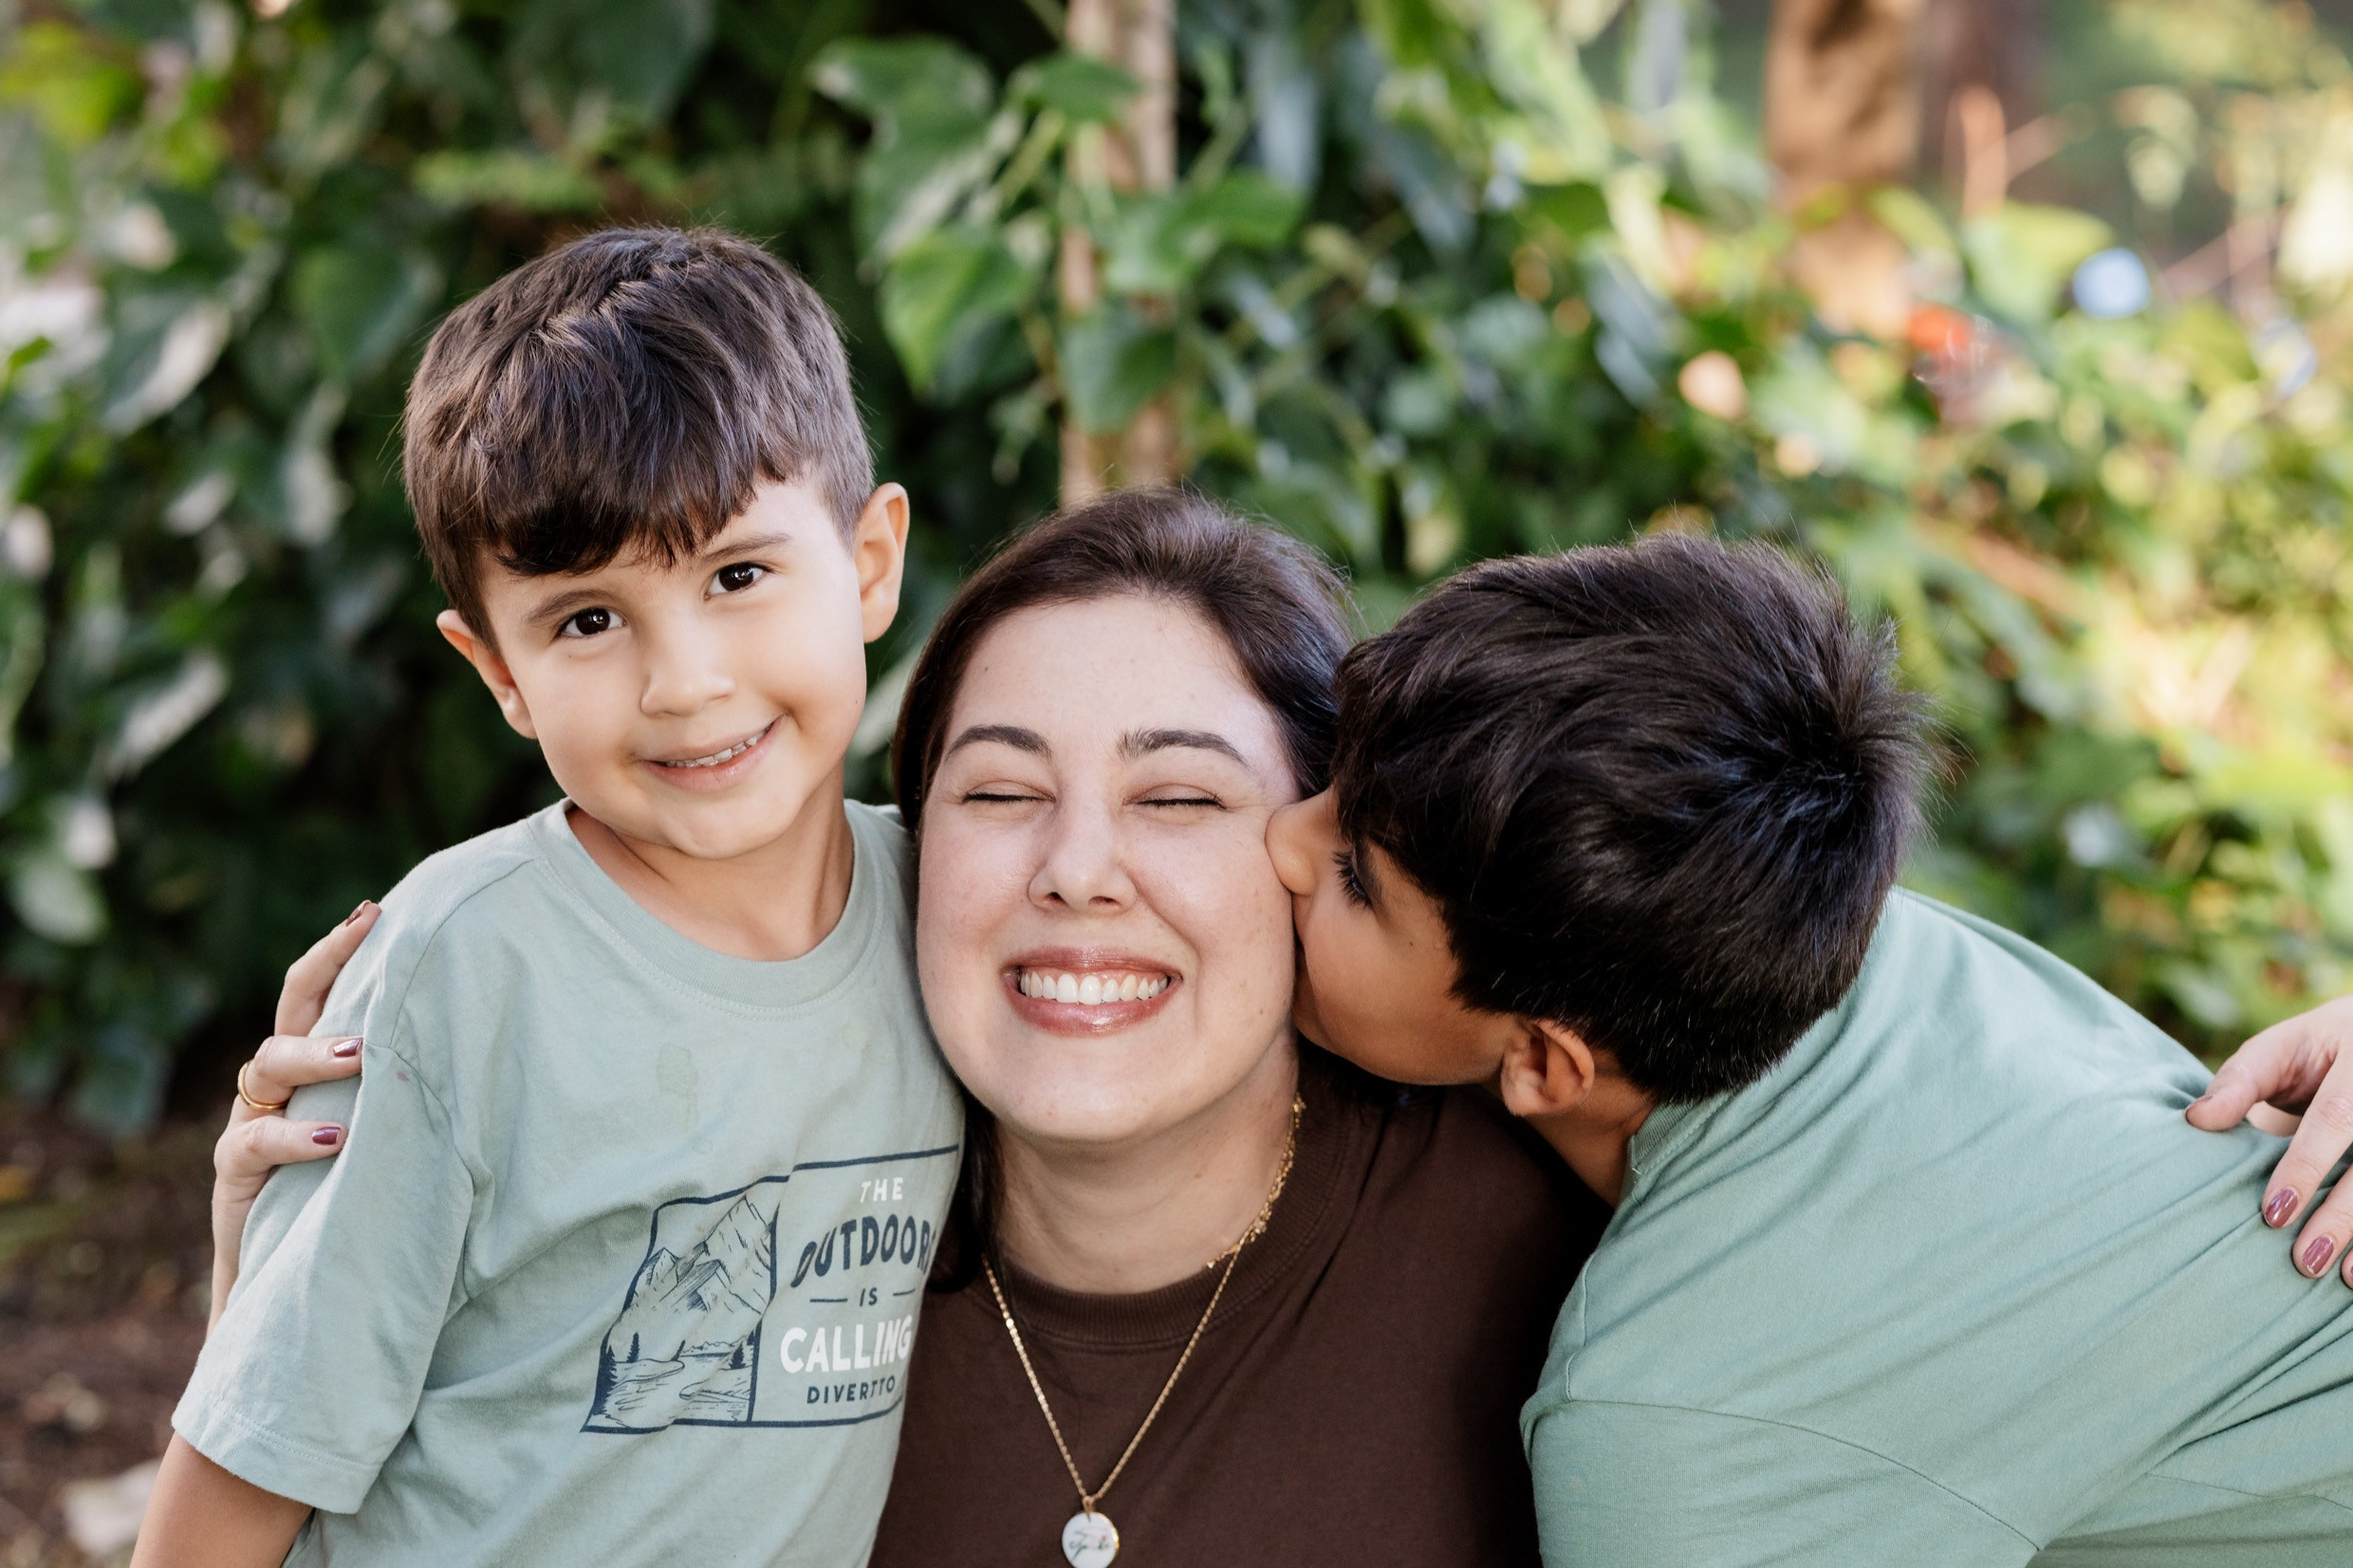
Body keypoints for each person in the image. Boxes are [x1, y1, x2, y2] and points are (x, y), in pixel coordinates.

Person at [198, 489, 1605, 1568]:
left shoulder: (1533, 1206)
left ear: (1322, 846)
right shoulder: (768, 1263)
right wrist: (277, 1267)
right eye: (998, 794)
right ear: (905, 844)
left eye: (1180, 798)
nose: (1077, 868)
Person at [1266, 534, 2353, 1564]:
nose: (1279, 836)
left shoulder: (1688, 1426)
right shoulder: (1814, 933)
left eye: (1356, 877)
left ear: (1549, 1064)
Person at [135, 228, 964, 1568]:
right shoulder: (463, 971)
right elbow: (244, 1465)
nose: (683, 681)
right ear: (498, 672)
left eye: (738, 575)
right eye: (588, 618)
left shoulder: (951, 912)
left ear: (870, 564)